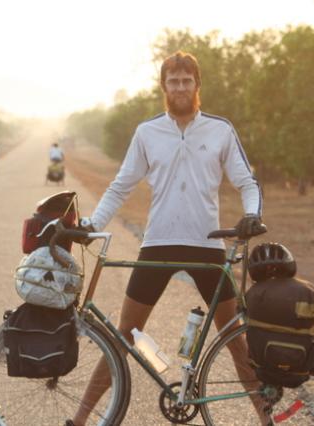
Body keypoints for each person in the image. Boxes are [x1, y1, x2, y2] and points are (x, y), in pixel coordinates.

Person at [69, 51, 268, 425]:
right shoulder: (148, 132)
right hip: (158, 243)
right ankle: (80, 419)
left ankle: (266, 418)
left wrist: (252, 214)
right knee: (123, 336)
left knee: (234, 339)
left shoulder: (219, 129)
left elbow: (247, 182)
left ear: (197, 85)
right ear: (164, 87)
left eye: (186, 80)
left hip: (207, 245)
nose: (180, 87)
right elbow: (120, 186)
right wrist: (92, 223)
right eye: (173, 81)